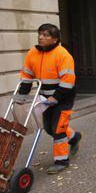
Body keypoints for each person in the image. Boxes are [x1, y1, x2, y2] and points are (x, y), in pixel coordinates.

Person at [17, 23, 82, 174]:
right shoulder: (33, 53)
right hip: (45, 97)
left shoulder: (63, 55)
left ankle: (61, 161)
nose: (40, 37)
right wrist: (22, 93)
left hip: (64, 96)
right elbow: (27, 74)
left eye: (45, 35)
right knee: (48, 128)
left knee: (58, 128)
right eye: (40, 34)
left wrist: (56, 97)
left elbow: (68, 81)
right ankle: (74, 137)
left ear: (54, 39)